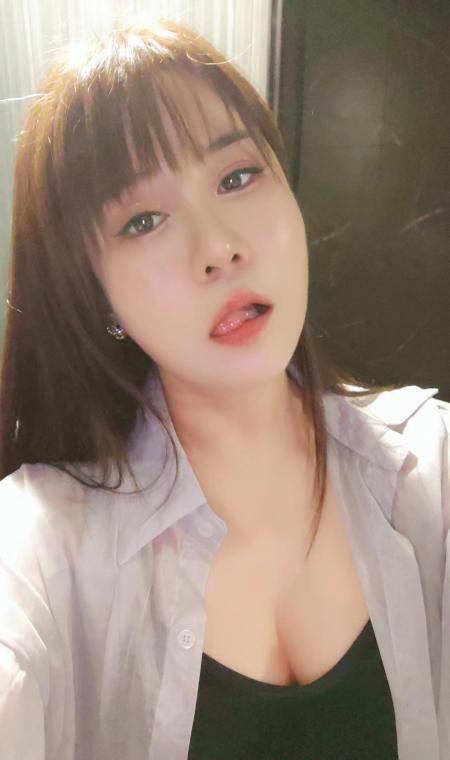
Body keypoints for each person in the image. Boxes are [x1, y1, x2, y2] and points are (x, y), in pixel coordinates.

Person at [0, 17, 448, 760]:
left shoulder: (428, 467)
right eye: (144, 220)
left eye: (237, 177)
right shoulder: (45, 549)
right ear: (96, 295)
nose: (218, 248)